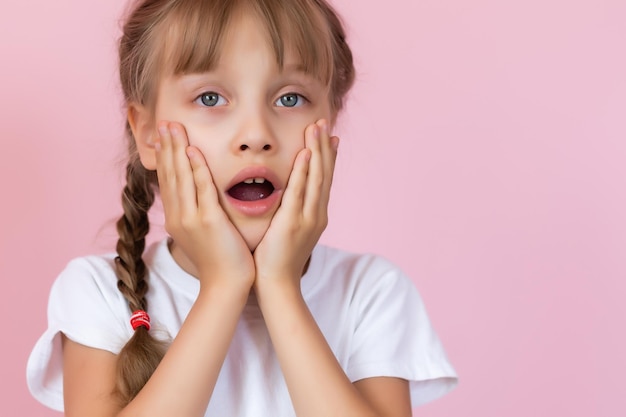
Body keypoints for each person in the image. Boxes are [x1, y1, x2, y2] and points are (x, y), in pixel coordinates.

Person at [26, 0, 457, 416]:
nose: (256, 134)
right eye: (211, 98)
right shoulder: (98, 293)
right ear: (147, 135)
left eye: (290, 99)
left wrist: (280, 287)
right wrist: (223, 285)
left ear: (330, 124)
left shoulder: (369, 292)